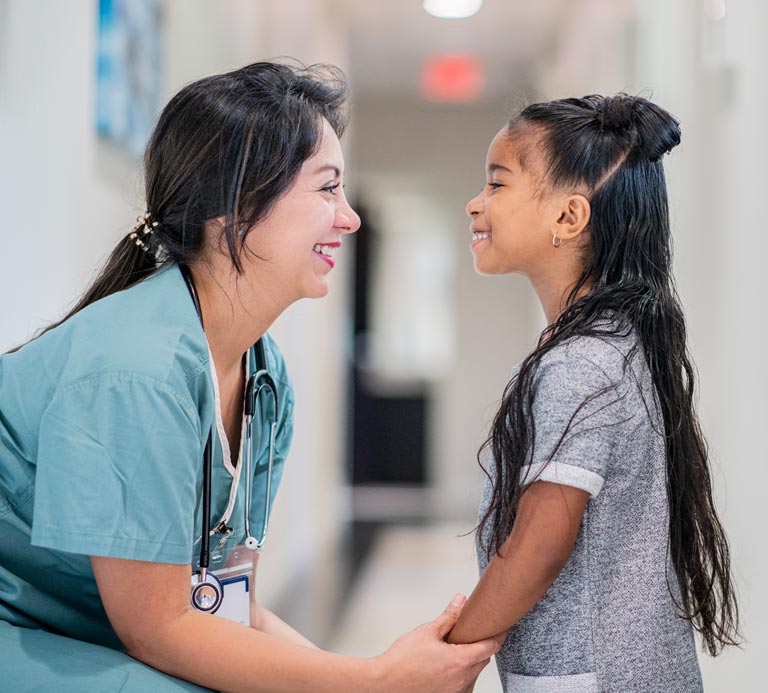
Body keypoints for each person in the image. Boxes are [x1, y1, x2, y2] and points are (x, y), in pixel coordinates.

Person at [0, 61, 498, 692]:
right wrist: (373, 683)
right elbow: (159, 628)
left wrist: (370, 679)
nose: (350, 218)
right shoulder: (137, 370)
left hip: (82, 626)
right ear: (236, 206)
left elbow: (227, 607)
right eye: (326, 189)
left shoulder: (264, 378)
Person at [446, 94, 740, 692]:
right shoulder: (615, 344)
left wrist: (451, 653)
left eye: (497, 185)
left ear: (568, 217)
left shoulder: (581, 363)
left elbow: (540, 544)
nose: (475, 204)